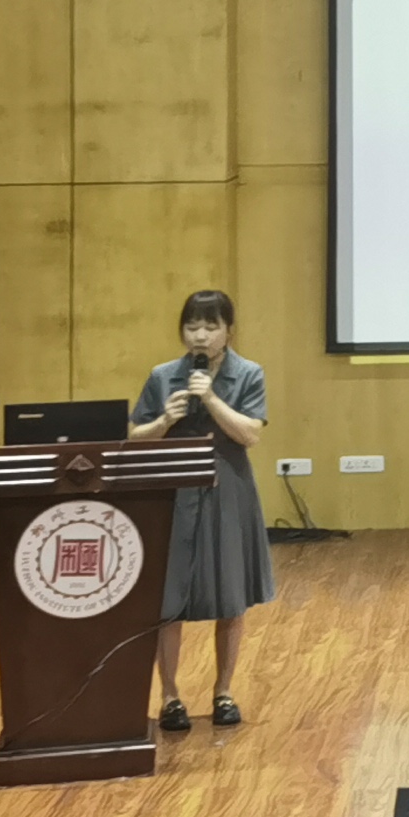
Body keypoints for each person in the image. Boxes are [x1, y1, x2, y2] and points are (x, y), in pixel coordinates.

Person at [128, 288, 275, 729]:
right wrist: (164, 421)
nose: (201, 335)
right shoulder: (162, 376)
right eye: (192, 326)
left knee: (232, 596)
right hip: (172, 493)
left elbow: (250, 434)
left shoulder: (247, 373)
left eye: (211, 326)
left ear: (229, 331)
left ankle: (223, 692)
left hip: (228, 492)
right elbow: (134, 437)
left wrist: (210, 398)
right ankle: (170, 697)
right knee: (167, 599)